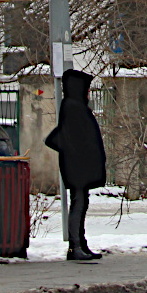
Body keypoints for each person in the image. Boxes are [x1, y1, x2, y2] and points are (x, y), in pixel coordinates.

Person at [45, 69, 106, 261]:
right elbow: (74, 138)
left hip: (80, 166)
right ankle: (75, 245)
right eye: (86, 89)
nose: (88, 93)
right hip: (77, 166)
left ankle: (81, 243)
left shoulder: (75, 105)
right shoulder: (72, 107)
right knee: (78, 204)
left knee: (81, 203)